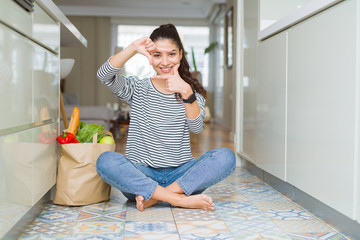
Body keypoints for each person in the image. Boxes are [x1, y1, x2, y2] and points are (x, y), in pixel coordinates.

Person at [96, 23, 235, 211]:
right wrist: (133, 49)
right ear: (150, 58)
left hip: (180, 176)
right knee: (105, 161)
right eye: (157, 55)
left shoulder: (191, 93)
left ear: (180, 54)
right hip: (142, 175)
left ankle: (154, 197)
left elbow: (197, 128)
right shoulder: (138, 88)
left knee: (226, 157)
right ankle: (178, 199)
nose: (165, 62)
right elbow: (103, 74)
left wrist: (186, 92)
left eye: (171, 54)